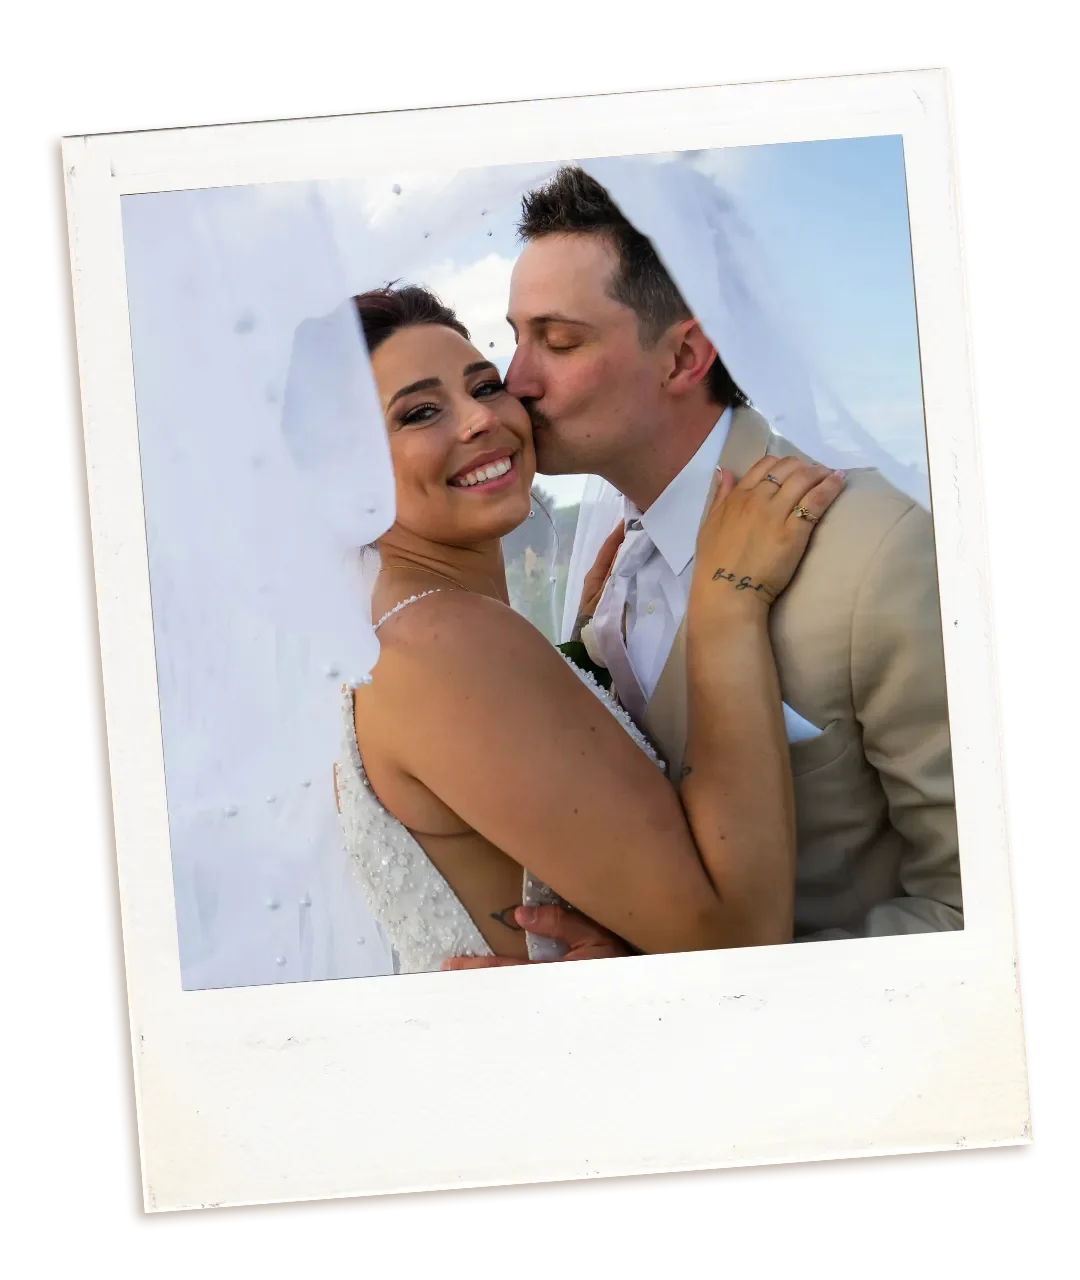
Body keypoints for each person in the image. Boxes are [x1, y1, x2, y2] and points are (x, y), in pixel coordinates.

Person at [450, 164, 962, 969]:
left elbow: (971, 907)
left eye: (558, 340)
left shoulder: (876, 551)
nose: (515, 382)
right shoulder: (612, 564)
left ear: (685, 355)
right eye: (515, 337)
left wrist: (692, 995)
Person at [331, 283, 845, 973]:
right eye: (420, 412)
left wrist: (578, 651)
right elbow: (739, 942)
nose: (479, 420)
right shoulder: (442, 641)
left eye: (485, 385)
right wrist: (727, 604)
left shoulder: (398, 629)